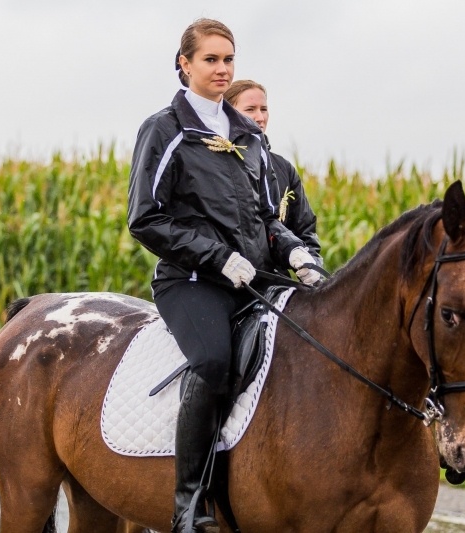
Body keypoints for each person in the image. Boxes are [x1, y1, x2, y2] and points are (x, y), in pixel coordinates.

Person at [127, 19, 320, 533]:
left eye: (228, 59)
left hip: (255, 278)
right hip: (191, 282)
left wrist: (299, 254)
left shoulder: (248, 136)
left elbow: (266, 219)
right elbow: (145, 217)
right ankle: (188, 506)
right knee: (212, 361)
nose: (222, 68)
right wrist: (214, 257)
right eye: (211, 59)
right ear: (184, 64)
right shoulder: (164, 129)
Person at [224, 80, 323, 266]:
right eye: (250, 109)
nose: (259, 117)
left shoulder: (283, 168)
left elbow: (305, 230)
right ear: (228, 113)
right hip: (227, 276)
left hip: (275, 279)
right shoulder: (217, 162)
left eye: (264, 109)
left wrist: (312, 266)